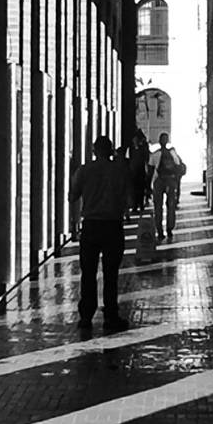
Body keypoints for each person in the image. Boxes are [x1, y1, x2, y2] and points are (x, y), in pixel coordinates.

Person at [69, 135, 132, 335]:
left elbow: (72, 196)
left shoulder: (84, 171)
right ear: (111, 151)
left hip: (91, 226)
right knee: (111, 273)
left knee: (88, 272)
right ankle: (111, 316)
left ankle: (86, 317)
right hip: (113, 225)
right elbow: (129, 198)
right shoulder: (119, 171)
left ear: (94, 151)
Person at [152, 132, 187, 242]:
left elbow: (149, 170)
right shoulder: (173, 153)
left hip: (159, 181)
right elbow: (178, 166)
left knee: (158, 207)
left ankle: (160, 230)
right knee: (171, 206)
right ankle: (169, 229)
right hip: (170, 181)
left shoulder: (155, 154)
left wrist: (148, 186)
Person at [127, 130, 151, 214]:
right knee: (134, 189)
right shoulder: (130, 149)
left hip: (141, 170)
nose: (135, 141)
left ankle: (140, 204)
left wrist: (146, 169)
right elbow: (129, 159)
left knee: (141, 188)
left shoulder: (142, 149)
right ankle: (135, 205)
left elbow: (146, 159)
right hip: (133, 171)